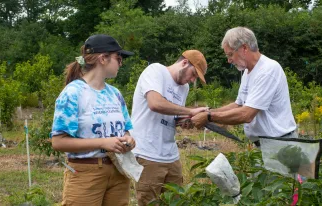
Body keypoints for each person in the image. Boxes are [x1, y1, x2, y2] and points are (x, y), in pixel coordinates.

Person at [51, 34, 136, 206]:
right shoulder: (73, 93)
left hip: (119, 170)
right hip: (86, 173)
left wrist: (129, 139)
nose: (121, 63)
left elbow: (126, 128)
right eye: (118, 58)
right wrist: (103, 143)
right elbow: (58, 142)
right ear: (103, 58)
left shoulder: (115, 94)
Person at [191, 27, 297, 146]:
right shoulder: (247, 72)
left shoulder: (268, 70)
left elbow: (246, 114)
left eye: (230, 54)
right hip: (265, 144)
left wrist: (208, 117)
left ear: (244, 48)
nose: (229, 60)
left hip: (281, 144)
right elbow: (238, 105)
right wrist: (207, 111)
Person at [131, 50, 208, 206]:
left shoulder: (184, 88)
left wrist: (186, 120)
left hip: (170, 155)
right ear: (185, 63)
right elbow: (155, 103)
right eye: (193, 74)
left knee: (177, 201)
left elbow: (173, 116)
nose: (192, 80)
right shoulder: (155, 71)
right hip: (147, 153)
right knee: (149, 202)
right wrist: (190, 111)